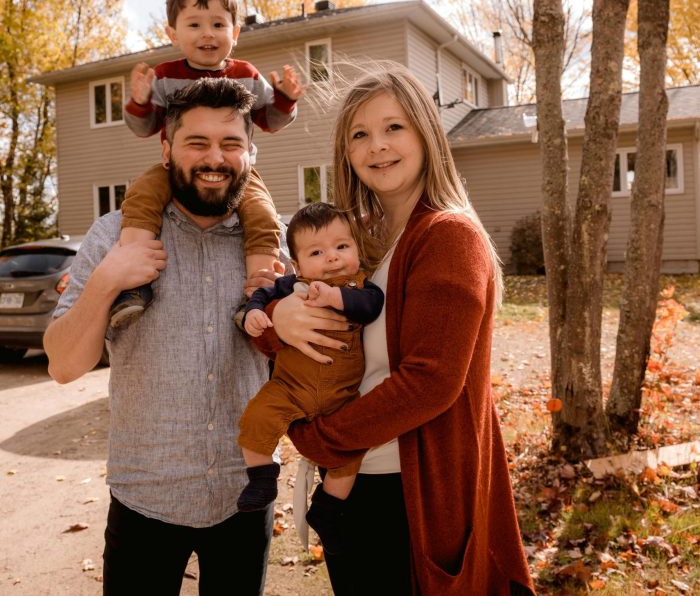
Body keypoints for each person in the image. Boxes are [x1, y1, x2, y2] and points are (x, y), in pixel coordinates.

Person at [255, 64, 536, 595]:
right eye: (360, 134)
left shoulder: (448, 236)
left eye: (394, 128)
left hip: (407, 494)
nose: (377, 146)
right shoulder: (356, 243)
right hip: (359, 486)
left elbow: (429, 381)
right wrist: (278, 318)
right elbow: (290, 320)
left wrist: (317, 440)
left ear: (426, 134)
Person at [43, 77, 300, 595]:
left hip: (244, 494)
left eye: (230, 144)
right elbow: (63, 366)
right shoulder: (114, 234)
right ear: (166, 149)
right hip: (145, 496)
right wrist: (108, 279)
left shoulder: (272, 252)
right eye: (197, 143)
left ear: (250, 152)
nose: (215, 158)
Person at [111, 0, 305, 328]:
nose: (207, 34)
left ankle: (259, 295)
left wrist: (286, 99)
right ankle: (132, 285)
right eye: (194, 24)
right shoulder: (166, 76)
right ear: (173, 34)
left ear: (235, 32)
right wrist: (140, 102)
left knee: (263, 215)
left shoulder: (246, 74)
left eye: (218, 24)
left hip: (239, 175)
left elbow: (269, 121)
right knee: (141, 196)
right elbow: (145, 128)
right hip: (176, 171)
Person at [237, 202, 383, 554]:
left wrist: (336, 295)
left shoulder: (362, 286)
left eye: (342, 247)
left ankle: (328, 507)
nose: (332, 258)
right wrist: (253, 313)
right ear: (298, 265)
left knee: (350, 453)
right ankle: (261, 478)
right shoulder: (291, 286)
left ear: (357, 250)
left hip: (342, 396)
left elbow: (371, 306)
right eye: (317, 252)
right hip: (290, 388)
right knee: (256, 417)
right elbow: (261, 293)